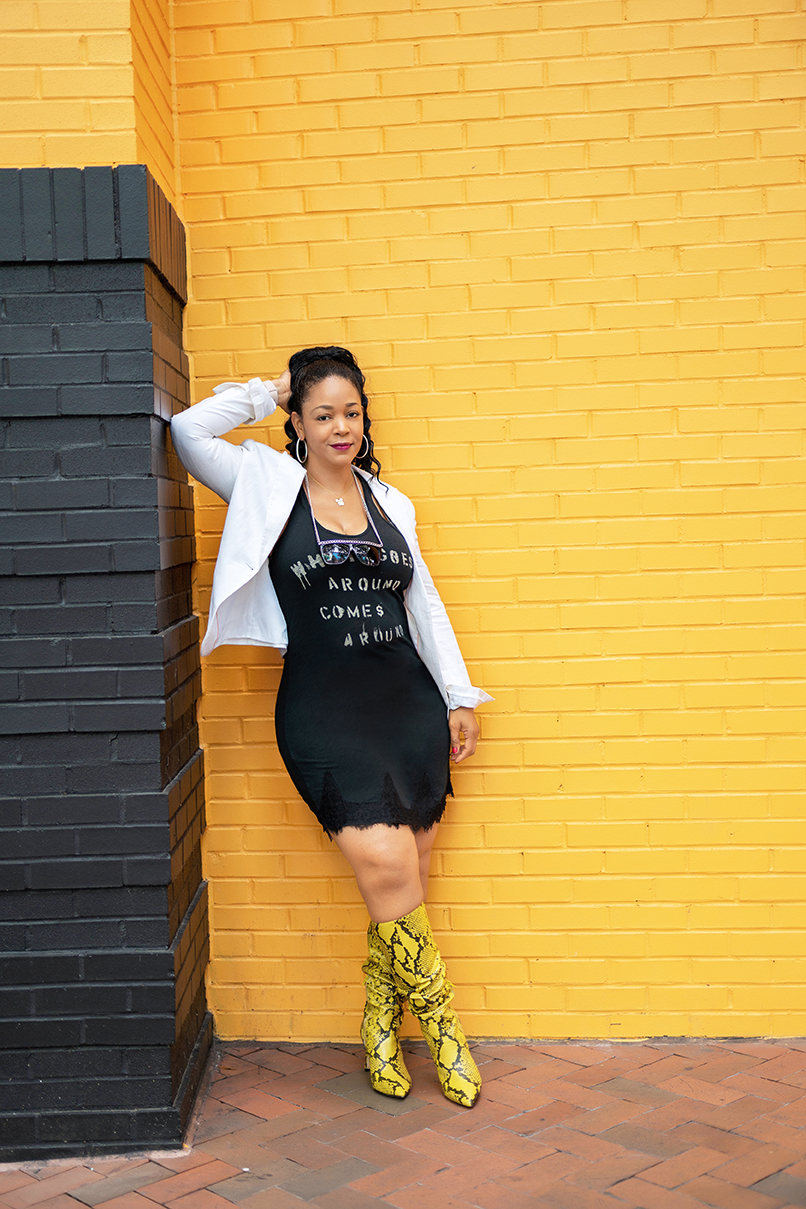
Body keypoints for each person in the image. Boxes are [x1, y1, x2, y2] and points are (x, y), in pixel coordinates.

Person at [170, 346, 492, 1109]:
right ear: (300, 422)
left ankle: (380, 1019)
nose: (340, 426)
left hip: (405, 704)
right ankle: (446, 1032)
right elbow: (186, 431)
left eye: (351, 412)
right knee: (386, 867)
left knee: (406, 868)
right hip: (323, 709)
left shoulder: (392, 503)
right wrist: (263, 390)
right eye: (323, 414)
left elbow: (426, 605)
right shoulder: (264, 483)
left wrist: (457, 694)